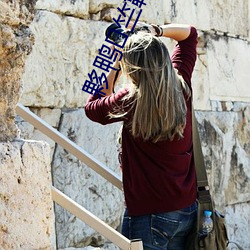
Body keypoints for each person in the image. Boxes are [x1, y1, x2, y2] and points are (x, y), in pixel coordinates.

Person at [85, 22, 198, 250]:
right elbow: (189, 35)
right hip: (186, 209)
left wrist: (117, 63)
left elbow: (92, 108)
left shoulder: (130, 100)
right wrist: (155, 30)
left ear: (132, 68)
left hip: (149, 215)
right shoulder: (182, 85)